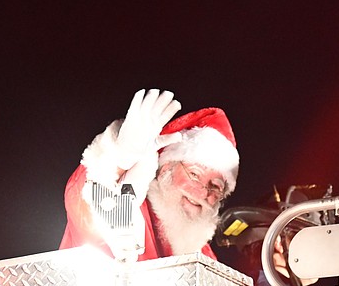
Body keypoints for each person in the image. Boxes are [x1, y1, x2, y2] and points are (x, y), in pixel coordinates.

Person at [59, 89, 239, 261]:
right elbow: (84, 202)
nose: (202, 193)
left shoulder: (203, 254)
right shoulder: (129, 206)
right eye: (194, 174)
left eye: (215, 187)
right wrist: (118, 157)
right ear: (165, 169)